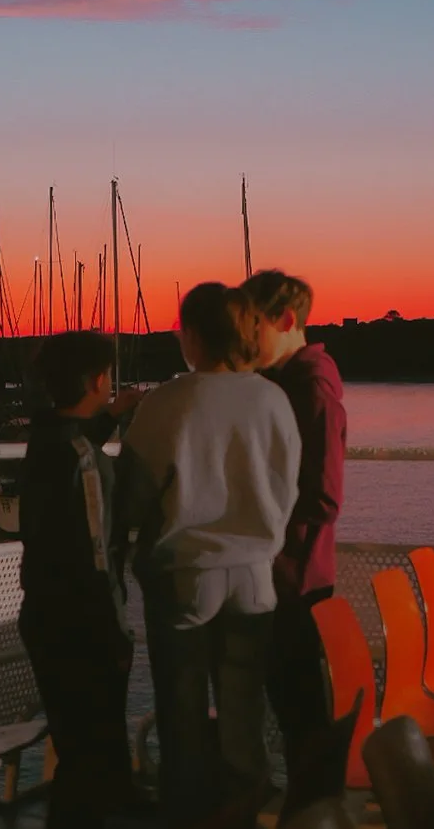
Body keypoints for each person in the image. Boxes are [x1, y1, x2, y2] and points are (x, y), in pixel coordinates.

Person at [116, 283, 301, 829]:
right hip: (255, 574)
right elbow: (288, 486)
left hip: (186, 574)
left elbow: (131, 496)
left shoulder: (170, 402)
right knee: (243, 714)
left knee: (184, 714)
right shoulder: (272, 399)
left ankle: (190, 816)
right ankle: (242, 812)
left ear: (193, 334)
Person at [17, 330, 145, 829]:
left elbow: (76, 442)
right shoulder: (81, 461)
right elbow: (92, 554)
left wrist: (110, 415)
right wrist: (112, 630)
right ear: (97, 380)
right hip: (84, 624)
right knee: (90, 754)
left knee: (78, 743)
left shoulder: (46, 439)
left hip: (46, 616)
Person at [242, 272, 347, 821]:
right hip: (292, 571)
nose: (244, 338)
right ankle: (313, 810)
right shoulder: (293, 381)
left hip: (293, 576)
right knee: (296, 707)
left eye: (252, 325)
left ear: (285, 322)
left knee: (301, 709)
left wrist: (262, 525)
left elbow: (324, 495)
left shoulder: (309, 385)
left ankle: (314, 812)